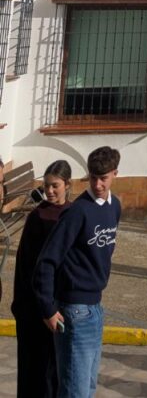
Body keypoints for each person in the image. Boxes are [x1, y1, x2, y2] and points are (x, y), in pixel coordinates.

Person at [34, 145, 121, 398]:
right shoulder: (77, 212)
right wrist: (47, 308)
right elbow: (46, 261)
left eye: (103, 178)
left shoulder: (114, 207)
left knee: (88, 387)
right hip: (74, 310)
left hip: (96, 308)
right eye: (93, 177)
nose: (98, 184)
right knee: (75, 391)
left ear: (115, 173)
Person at [12, 159, 72, 398]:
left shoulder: (72, 213)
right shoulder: (37, 217)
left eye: (55, 185)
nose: (49, 191)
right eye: (46, 185)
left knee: (53, 373)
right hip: (34, 309)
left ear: (67, 184)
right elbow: (26, 267)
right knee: (33, 373)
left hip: (59, 306)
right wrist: (38, 307)